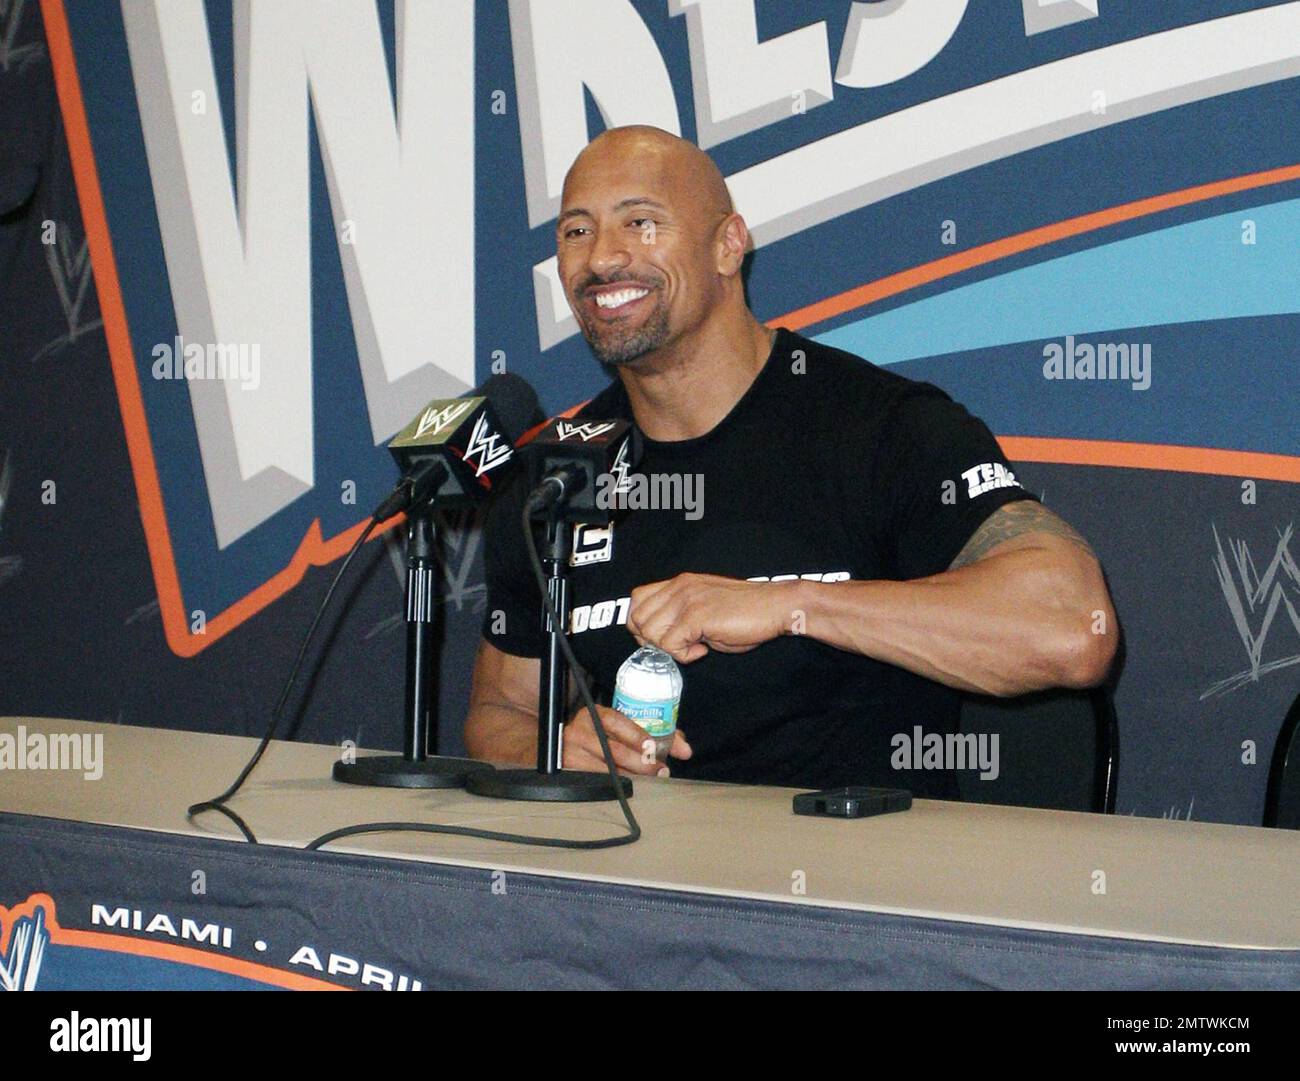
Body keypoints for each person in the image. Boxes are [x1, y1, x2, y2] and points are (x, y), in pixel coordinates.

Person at [464, 126, 1116, 797]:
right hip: (630, 881)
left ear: (728, 245)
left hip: (857, 881)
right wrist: (553, 749)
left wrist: (789, 605)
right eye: (576, 231)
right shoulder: (560, 476)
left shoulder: (879, 427)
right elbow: (501, 712)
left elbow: (1073, 626)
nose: (602, 257)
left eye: (641, 221)